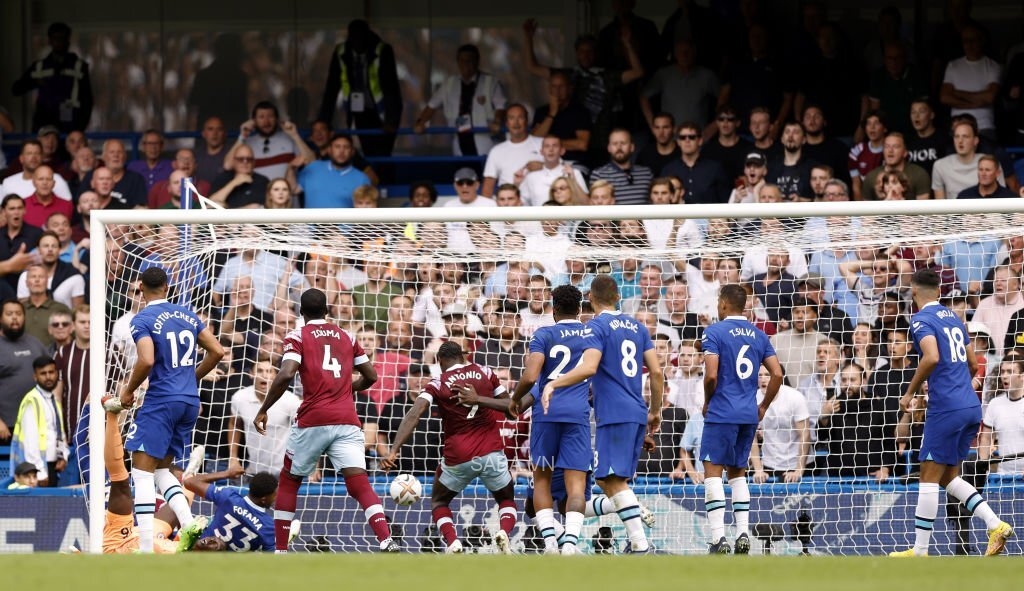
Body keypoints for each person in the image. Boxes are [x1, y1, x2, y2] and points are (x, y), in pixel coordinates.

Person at [254, 288, 398, 553]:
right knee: (359, 483)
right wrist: (345, 388)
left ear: (301, 312)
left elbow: (286, 374)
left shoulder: (297, 336)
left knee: (290, 481)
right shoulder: (347, 336)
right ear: (327, 310)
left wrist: (264, 408)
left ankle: (281, 550)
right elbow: (371, 376)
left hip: (313, 418)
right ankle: (385, 539)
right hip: (346, 418)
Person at [890, 268, 1013, 557]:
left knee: (928, 477)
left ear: (913, 291)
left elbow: (931, 357)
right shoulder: (955, 320)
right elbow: (973, 365)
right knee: (948, 478)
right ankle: (995, 524)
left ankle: (920, 551)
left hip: (946, 408)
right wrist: (958, 388)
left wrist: (910, 392)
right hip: (969, 406)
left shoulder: (921, 320)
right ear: (939, 292)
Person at [542, 274, 662, 554]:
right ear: (618, 297)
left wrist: (554, 383)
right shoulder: (638, 327)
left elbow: (589, 367)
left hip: (614, 412)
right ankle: (637, 538)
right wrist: (655, 411)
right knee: (608, 479)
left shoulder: (595, 327)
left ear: (590, 298)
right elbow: (656, 372)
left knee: (611, 480)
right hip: (636, 410)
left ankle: (640, 545)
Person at [117, 267, 225, 553]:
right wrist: (191, 378)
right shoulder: (187, 315)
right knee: (162, 469)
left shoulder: (142, 319)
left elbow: (146, 360)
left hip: (162, 401)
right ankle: (189, 524)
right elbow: (218, 351)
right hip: (189, 402)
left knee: (141, 473)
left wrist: (128, 391)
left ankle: (144, 547)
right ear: (167, 286)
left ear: (141, 288)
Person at [381, 342, 517, 554]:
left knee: (439, 501)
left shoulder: (437, 383)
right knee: (506, 499)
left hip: (458, 456)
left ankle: (453, 542)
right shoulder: (486, 372)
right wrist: (481, 399)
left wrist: (394, 449)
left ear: (439, 361)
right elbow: (511, 408)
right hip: (491, 452)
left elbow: (414, 414)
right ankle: (504, 532)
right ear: (462, 356)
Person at [699, 284, 784, 554]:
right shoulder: (759, 335)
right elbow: (777, 374)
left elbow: (711, 375)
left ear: (724, 303)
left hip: (722, 412)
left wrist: (707, 401)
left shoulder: (714, 332)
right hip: (748, 414)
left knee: (713, 473)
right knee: (737, 474)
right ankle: (743, 534)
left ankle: (718, 539)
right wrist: (763, 406)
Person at [509, 285, 592, 555]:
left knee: (542, 479)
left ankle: (550, 544)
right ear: (579, 309)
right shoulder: (590, 334)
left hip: (546, 415)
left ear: (553, 309)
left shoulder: (543, 334)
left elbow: (531, 376)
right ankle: (570, 545)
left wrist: (515, 399)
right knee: (576, 486)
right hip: (577, 415)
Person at [318, 19, 402, 160]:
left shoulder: (382, 50)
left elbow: (391, 87)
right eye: (353, 37)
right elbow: (331, 89)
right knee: (365, 151)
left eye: (360, 37)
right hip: (358, 111)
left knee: (383, 154)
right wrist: (324, 121)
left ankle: (383, 173)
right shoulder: (342, 51)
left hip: (382, 111)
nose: (357, 42)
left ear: (367, 36)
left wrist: (391, 119)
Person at [413, 44, 507, 157]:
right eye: (462, 61)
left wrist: (497, 121)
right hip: (459, 139)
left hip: (485, 138)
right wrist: (420, 122)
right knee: (462, 167)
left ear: (477, 61)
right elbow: (431, 106)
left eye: (469, 60)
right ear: (458, 62)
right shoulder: (449, 84)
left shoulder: (490, 82)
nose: (465, 64)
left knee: (485, 166)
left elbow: (501, 106)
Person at [10, 22, 92, 133]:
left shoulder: (79, 66)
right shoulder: (40, 67)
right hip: (44, 124)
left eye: (62, 38)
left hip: (70, 124)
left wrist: (80, 128)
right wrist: (35, 82)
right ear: (49, 41)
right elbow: (16, 89)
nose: (59, 42)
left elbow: (87, 100)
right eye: (55, 38)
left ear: (68, 40)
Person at [183, 471, 278, 552]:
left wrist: (228, 473)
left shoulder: (228, 497)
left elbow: (189, 482)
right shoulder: (269, 527)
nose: (277, 498)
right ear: (263, 499)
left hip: (197, 552)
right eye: (275, 495)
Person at [10, 355, 66, 487]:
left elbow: (58, 432)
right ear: (35, 377)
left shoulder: (53, 400)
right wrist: (39, 473)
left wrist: (62, 456)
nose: (48, 377)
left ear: (57, 374)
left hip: (52, 466)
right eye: (43, 373)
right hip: (37, 471)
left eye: (51, 372)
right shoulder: (32, 400)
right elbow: (30, 442)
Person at [295, 133, 371, 208]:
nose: (341, 151)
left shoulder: (361, 179)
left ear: (352, 152)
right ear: (329, 150)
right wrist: (291, 168)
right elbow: (294, 190)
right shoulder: (314, 167)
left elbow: (366, 210)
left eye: (346, 147)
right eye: (337, 147)